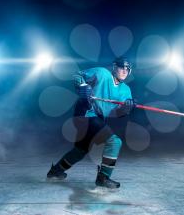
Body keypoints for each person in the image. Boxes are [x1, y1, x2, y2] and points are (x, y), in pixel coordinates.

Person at [47, 57, 135, 189]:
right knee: (115, 141)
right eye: (121, 67)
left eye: (127, 69)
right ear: (114, 67)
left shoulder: (126, 90)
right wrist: (83, 86)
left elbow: (117, 113)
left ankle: (56, 171)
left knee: (80, 151)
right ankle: (103, 177)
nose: (124, 71)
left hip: (98, 119)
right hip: (85, 112)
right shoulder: (101, 73)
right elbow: (77, 75)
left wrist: (126, 108)